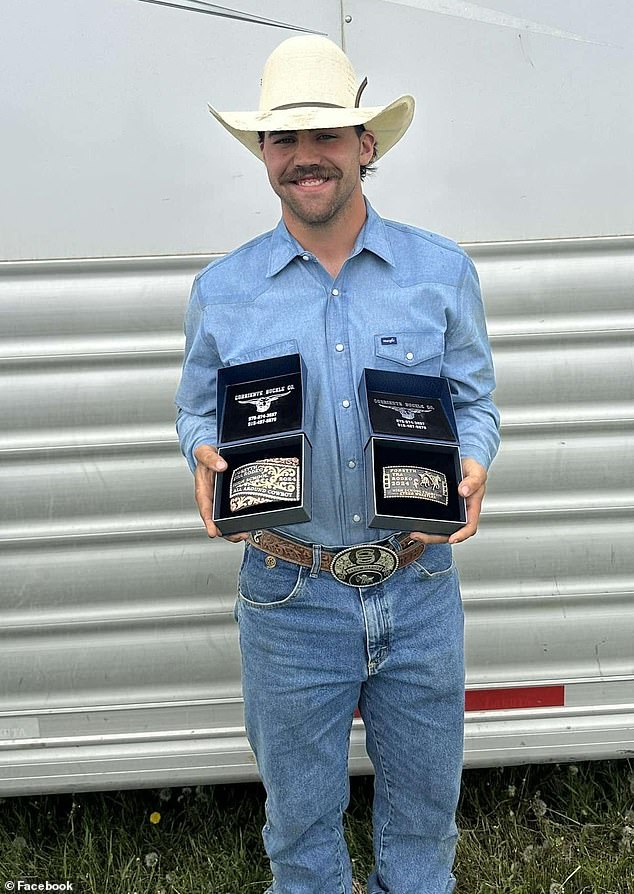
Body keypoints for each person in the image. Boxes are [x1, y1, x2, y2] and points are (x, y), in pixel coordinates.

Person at [175, 34, 500, 894]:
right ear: (265, 158)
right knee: (301, 831)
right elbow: (195, 408)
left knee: (426, 821)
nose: (305, 157)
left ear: (367, 146)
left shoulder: (441, 272)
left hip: (419, 584)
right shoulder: (222, 290)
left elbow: (474, 402)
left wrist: (473, 461)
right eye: (284, 140)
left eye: (327, 136)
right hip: (289, 595)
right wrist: (199, 451)